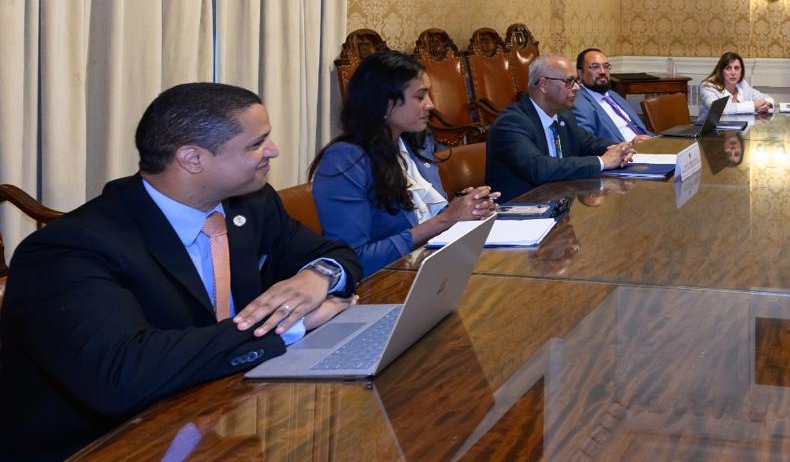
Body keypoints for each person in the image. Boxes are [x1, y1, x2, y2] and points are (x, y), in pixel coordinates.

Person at [0, 83, 363, 461]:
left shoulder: (251, 203)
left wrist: (317, 276)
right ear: (192, 158)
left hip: (223, 413)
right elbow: (121, 376)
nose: (273, 150)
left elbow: (335, 253)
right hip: (108, 443)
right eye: (257, 143)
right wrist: (287, 325)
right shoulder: (69, 248)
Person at [310, 51, 499, 274]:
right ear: (384, 102)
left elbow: (425, 217)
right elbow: (353, 259)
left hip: (431, 267)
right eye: (420, 97)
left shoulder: (415, 143)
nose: (430, 105)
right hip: (383, 282)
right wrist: (446, 219)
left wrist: (466, 206)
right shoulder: (344, 161)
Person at [486, 54, 634, 200]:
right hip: (520, 207)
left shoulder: (564, 116)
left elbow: (589, 143)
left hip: (559, 202)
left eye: (576, 81)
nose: (577, 87)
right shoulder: (511, 122)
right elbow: (538, 168)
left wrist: (620, 149)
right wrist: (602, 162)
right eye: (569, 81)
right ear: (543, 85)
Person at [573, 48, 652, 143]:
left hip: (648, 144)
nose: (602, 72)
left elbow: (640, 128)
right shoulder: (578, 103)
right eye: (595, 67)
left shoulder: (613, 95)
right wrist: (630, 144)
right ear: (580, 73)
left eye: (606, 66)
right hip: (625, 149)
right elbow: (589, 143)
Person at [699, 51, 774, 115]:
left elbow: (766, 97)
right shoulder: (708, 87)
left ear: (741, 71)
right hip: (713, 128)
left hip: (741, 127)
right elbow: (718, 109)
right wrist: (753, 105)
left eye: (736, 68)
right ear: (721, 71)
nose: (733, 73)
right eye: (728, 68)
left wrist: (768, 105)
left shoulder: (742, 84)